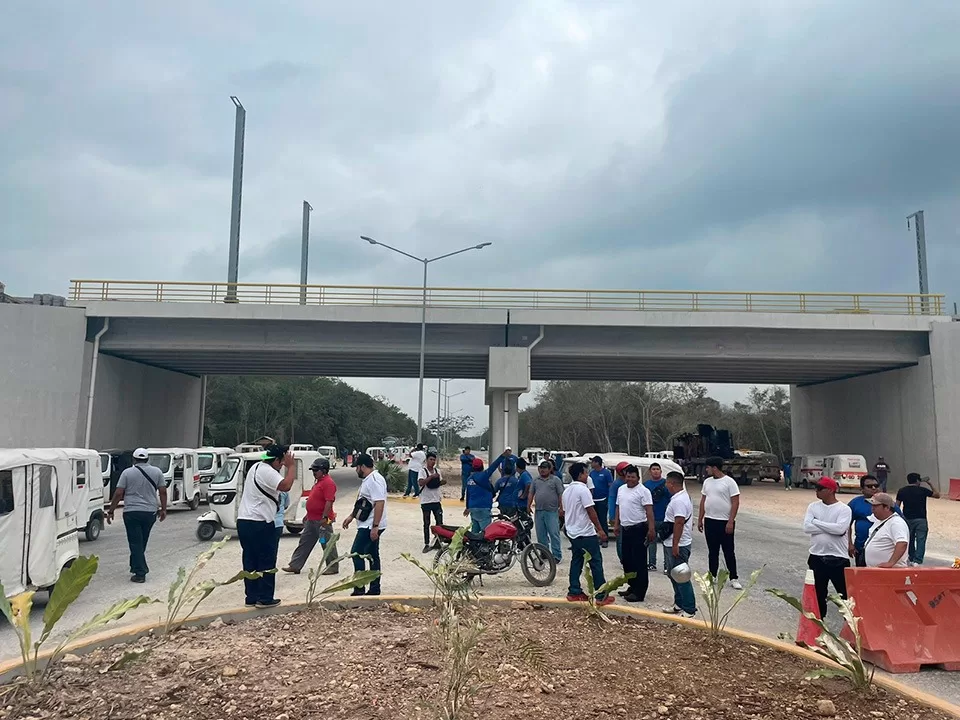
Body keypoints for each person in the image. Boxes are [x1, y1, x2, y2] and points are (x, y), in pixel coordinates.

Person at [237, 444, 296, 608]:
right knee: (266, 560)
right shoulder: (267, 471)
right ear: (276, 460)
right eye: (282, 462)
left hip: (244, 520)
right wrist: (292, 467)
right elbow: (286, 486)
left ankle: (251, 597)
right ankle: (265, 598)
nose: (283, 465)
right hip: (260, 522)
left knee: (250, 560)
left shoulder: (256, 467)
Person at [106, 447, 167, 584]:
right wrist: (163, 509)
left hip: (131, 512)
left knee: (135, 542)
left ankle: (140, 573)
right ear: (147, 459)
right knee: (142, 541)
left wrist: (111, 510)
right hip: (149, 512)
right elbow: (162, 491)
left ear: (134, 459)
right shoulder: (157, 472)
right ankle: (136, 567)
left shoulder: (127, 473)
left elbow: (118, 493)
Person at [561, 462, 611, 604]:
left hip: (572, 532)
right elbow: (591, 511)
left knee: (576, 560)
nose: (587, 475)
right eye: (586, 473)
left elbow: (564, 511)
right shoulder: (583, 491)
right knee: (595, 561)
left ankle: (574, 591)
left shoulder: (567, 491)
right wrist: (600, 529)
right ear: (580, 474)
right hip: (585, 532)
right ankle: (601, 595)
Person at [803, 477, 852, 619]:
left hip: (838, 557)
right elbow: (806, 527)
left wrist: (817, 522)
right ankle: (819, 623)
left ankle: (850, 625)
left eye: (819, 488)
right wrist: (830, 527)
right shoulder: (813, 506)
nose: (816, 491)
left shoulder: (844, 509)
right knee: (818, 594)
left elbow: (840, 529)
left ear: (830, 490)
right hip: (816, 556)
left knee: (844, 595)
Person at [282, 457, 339, 576]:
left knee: (327, 543)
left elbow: (329, 502)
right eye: (313, 470)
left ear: (324, 470)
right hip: (312, 519)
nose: (313, 473)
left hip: (322, 520)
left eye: (316, 470)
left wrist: (324, 517)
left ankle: (333, 566)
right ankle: (295, 565)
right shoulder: (318, 483)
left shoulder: (328, 483)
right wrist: (307, 515)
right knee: (304, 542)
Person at [343, 453, 388, 596]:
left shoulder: (374, 480)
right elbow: (363, 503)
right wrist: (351, 516)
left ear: (362, 466)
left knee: (356, 553)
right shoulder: (369, 479)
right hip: (367, 523)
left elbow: (379, 503)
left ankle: (359, 587)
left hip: (370, 526)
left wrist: (375, 527)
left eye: (357, 467)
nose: (356, 471)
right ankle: (374, 588)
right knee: (372, 555)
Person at [698, 457, 743, 589]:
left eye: (708, 467)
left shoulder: (729, 482)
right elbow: (703, 500)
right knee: (713, 551)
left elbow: (735, 502)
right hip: (710, 520)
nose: (706, 470)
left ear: (714, 468)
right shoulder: (707, 482)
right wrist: (700, 518)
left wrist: (730, 521)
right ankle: (712, 575)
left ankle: (734, 577)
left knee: (728, 551)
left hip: (724, 521)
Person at [612, 465, 655, 603]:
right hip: (625, 528)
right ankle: (632, 585)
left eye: (633, 477)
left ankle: (640, 592)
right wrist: (617, 524)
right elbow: (618, 507)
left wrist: (651, 529)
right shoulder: (621, 489)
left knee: (639, 561)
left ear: (638, 478)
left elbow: (649, 511)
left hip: (639, 528)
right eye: (628, 477)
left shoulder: (644, 491)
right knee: (627, 560)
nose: (630, 479)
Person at [661, 471, 696, 618]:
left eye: (667, 483)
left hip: (678, 544)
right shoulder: (680, 497)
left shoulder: (679, 501)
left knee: (681, 576)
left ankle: (689, 608)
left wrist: (676, 544)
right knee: (673, 574)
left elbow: (679, 522)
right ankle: (679, 603)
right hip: (672, 542)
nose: (666, 485)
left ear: (672, 483)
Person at [896, 472, 940, 565]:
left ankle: (911, 557)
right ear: (917, 481)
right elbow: (937, 495)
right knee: (921, 540)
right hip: (921, 518)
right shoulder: (922, 490)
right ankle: (918, 560)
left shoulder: (902, 490)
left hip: (907, 518)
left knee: (910, 539)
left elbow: (897, 506)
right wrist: (930, 483)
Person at [528, 459, 565, 562]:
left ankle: (556, 556)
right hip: (539, 511)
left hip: (552, 511)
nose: (542, 470)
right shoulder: (535, 480)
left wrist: (561, 508)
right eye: (541, 468)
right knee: (541, 535)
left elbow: (561, 494)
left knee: (554, 534)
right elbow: (531, 493)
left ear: (550, 469)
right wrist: (528, 505)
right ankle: (544, 554)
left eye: (544, 468)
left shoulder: (556, 480)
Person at [864, 493, 910, 568]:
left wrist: (890, 563)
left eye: (875, 506)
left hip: (890, 572)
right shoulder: (879, 521)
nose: (872, 508)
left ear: (887, 508)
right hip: (878, 571)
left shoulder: (896, 522)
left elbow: (902, 543)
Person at [464, 452, 507, 533]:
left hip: (473, 508)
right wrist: (502, 456)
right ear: (482, 467)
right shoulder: (483, 476)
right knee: (486, 534)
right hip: (483, 508)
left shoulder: (469, 479)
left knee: (475, 534)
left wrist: (467, 507)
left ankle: (474, 545)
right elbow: (493, 466)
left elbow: (468, 494)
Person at [847, 474, 881, 567]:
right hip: (861, 548)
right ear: (861, 489)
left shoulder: (887, 502)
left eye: (876, 486)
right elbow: (847, 524)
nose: (874, 488)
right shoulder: (855, 503)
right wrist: (850, 544)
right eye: (869, 486)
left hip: (882, 549)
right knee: (862, 578)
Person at [643, 463, 669, 573]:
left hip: (664, 518)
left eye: (658, 469)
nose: (655, 471)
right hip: (651, 518)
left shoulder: (666, 484)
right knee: (651, 541)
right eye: (653, 469)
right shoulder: (646, 485)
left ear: (661, 471)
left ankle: (667, 565)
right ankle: (652, 563)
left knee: (666, 542)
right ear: (650, 471)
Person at [418, 452, 445, 553]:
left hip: (436, 500)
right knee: (426, 523)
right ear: (426, 460)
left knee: (439, 522)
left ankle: (438, 542)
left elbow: (439, 482)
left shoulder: (438, 471)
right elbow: (421, 483)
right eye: (431, 459)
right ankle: (426, 544)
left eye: (434, 460)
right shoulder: (422, 471)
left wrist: (441, 481)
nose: (432, 462)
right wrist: (431, 477)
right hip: (426, 501)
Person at [588, 457, 613, 546]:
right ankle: (598, 537)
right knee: (595, 520)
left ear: (597, 463)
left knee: (603, 520)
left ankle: (605, 539)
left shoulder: (606, 473)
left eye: (593, 462)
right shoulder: (592, 473)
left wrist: (609, 498)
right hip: (593, 500)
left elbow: (610, 485)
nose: (591, 464)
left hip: (602, 499)